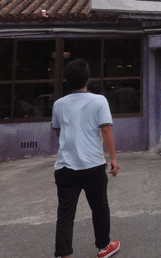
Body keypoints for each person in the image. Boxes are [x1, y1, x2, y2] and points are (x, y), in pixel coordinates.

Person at [51, 59, 121, 258]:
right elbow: (106, 129)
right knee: (99, 208)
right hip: (93, 166)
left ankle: (64, 254)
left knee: (65, 214)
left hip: (65, 167)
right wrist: (114, 158)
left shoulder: (58, 104)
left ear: (67, 81)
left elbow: (57, 131)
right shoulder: (99, 101)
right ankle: (104, 247)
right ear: (88, 79)